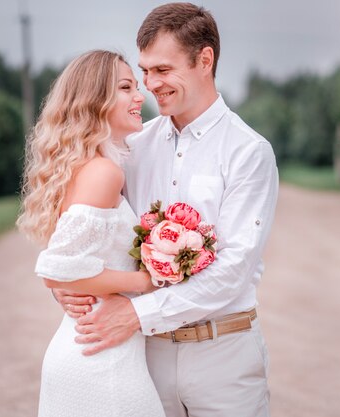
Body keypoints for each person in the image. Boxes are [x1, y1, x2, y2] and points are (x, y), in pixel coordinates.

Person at [54, 3, 279, 417]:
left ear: (204, 60)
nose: (149, 84)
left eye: (162, 70)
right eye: (144, 71)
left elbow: (233, 270)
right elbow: (84, 232)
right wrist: (67, 289)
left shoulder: (248, 152)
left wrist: (137, 314)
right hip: (143, 359)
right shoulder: (131, 148)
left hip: (223, 356)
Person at [16, 50, 166, 417]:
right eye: (126, 87)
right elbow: (59, 270)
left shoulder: (88, 167)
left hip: (89, 347)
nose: (140, 96)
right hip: (101, 362)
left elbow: (69, 270)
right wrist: (146, 281)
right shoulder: (103, 173)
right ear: (96, 101)